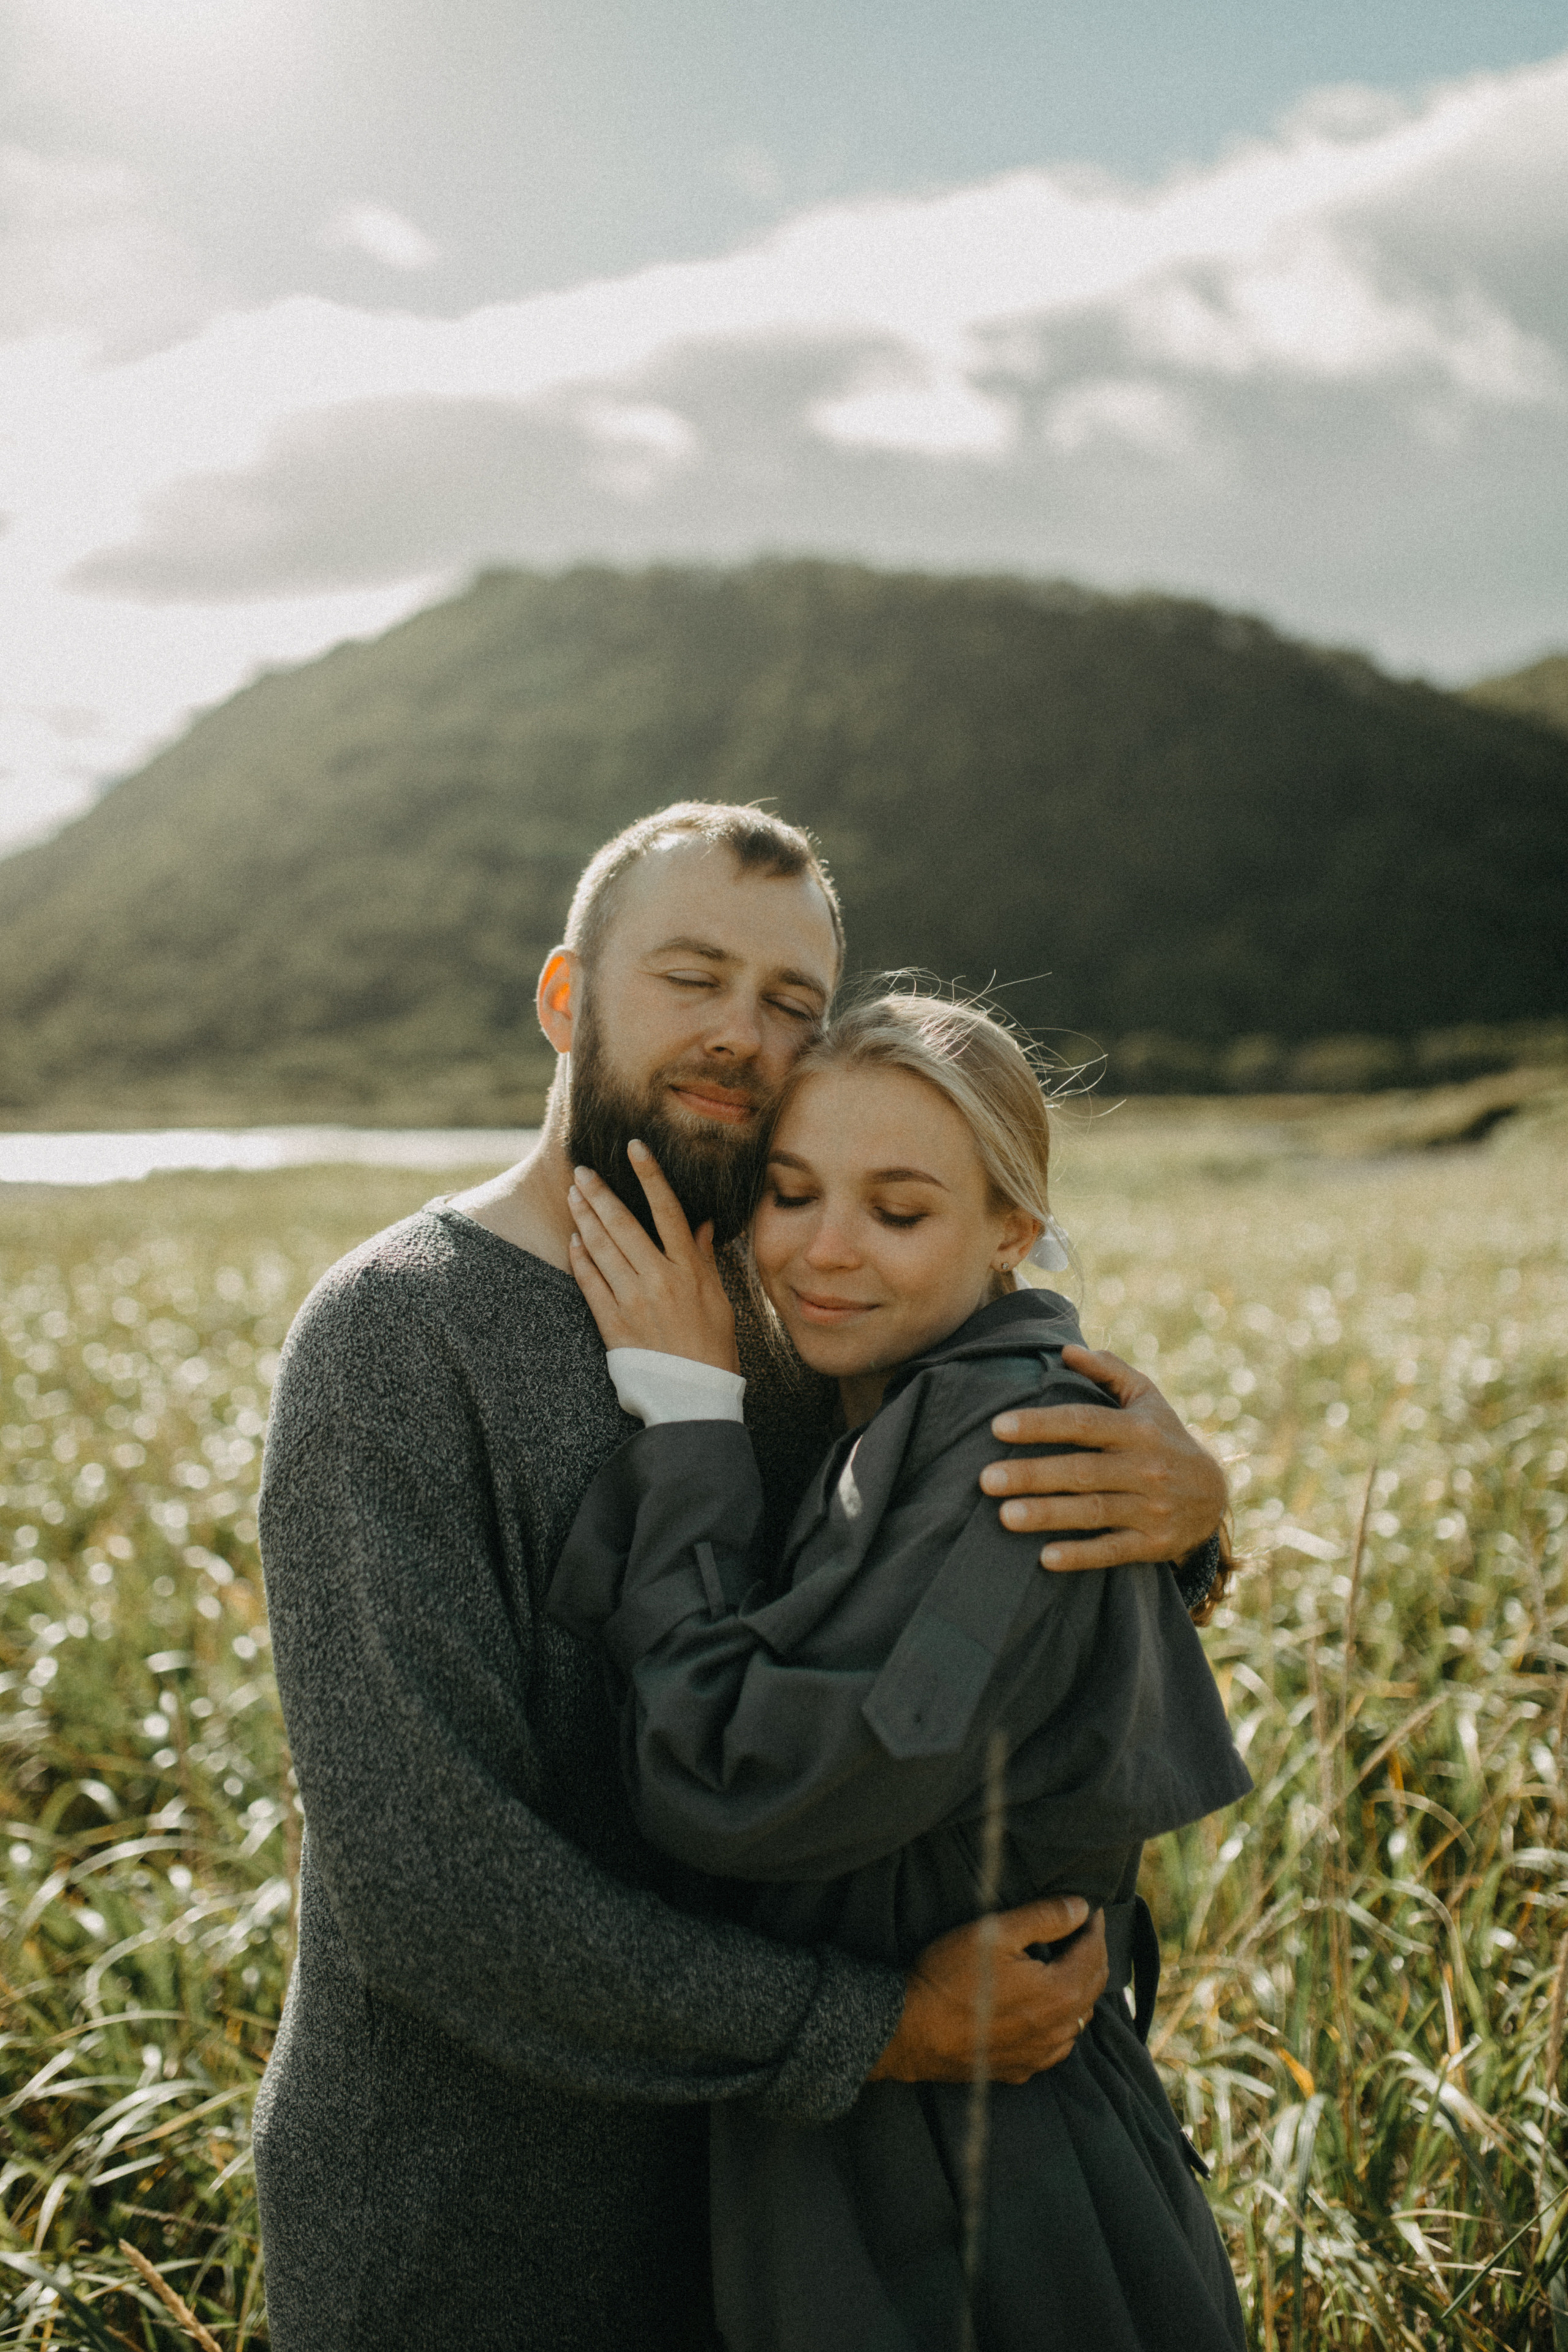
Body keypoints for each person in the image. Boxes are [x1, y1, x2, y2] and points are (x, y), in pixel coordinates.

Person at [254, 804, 1231, 2352]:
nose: (741, 1034)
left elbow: (955, 1634)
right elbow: (428, 1890)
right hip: (480, 2228)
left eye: (789, 1001)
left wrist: (1184, 1519)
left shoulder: (795, 1309)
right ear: (566, 998)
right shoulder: (395, 1337)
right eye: (691, 977)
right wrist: (874, 2030)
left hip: (787, 2218)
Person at [548, 989, 1250, 2351]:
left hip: (988, 2201)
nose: (825, 1250)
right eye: (791, 1193)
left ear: (1011, 1228)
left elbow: (736, 1784)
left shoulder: (1025, 1448)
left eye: (899, 1210)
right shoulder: (890, 1408)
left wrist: (686, 1417)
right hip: (888, 2173)